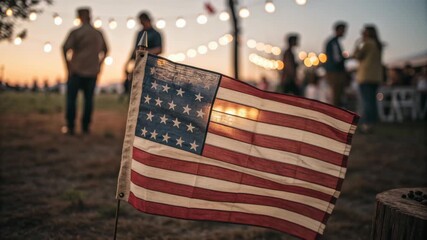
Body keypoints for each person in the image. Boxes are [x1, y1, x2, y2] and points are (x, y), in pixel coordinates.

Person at [62, 7, 108, 135]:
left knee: (72, 99)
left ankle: (70, 127)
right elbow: (106, 50)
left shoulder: (76, 32)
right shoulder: (98, 33)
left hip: (76, 71)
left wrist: (68, 66)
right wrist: (99, 64)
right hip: (92, 71)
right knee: (89, 100)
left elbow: (64, 48)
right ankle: (85, 127)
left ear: (80, 17)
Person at [353, 24, 383, 133]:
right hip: (375, 77)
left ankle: (366, 124)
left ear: (367, 33)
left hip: (365, 76)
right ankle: (372, 123)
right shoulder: (377, 45)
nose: (361, 33)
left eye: (363, 31)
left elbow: (356, 56)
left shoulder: (368, 43)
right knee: (372, 101)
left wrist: (357, 45)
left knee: (366, 101)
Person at [124, 11, 163, 91]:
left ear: (147, 20)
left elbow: (159, 49)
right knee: (135, 88)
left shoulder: (156, 34)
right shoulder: (140, 33)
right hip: (138, 64)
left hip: (151, 64)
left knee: (149, 89)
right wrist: (127, 63)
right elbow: (135, 49)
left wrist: (145, 52)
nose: (141, 24)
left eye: (142, 22)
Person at [324, 21, 348, 107]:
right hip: (335, 72)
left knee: (336, 95)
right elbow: (337, 59)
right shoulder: (334, 42)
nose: (344, 32)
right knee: (336, 96)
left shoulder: (334, 42)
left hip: (334, 71)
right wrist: (345, 58)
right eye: (343, 30)